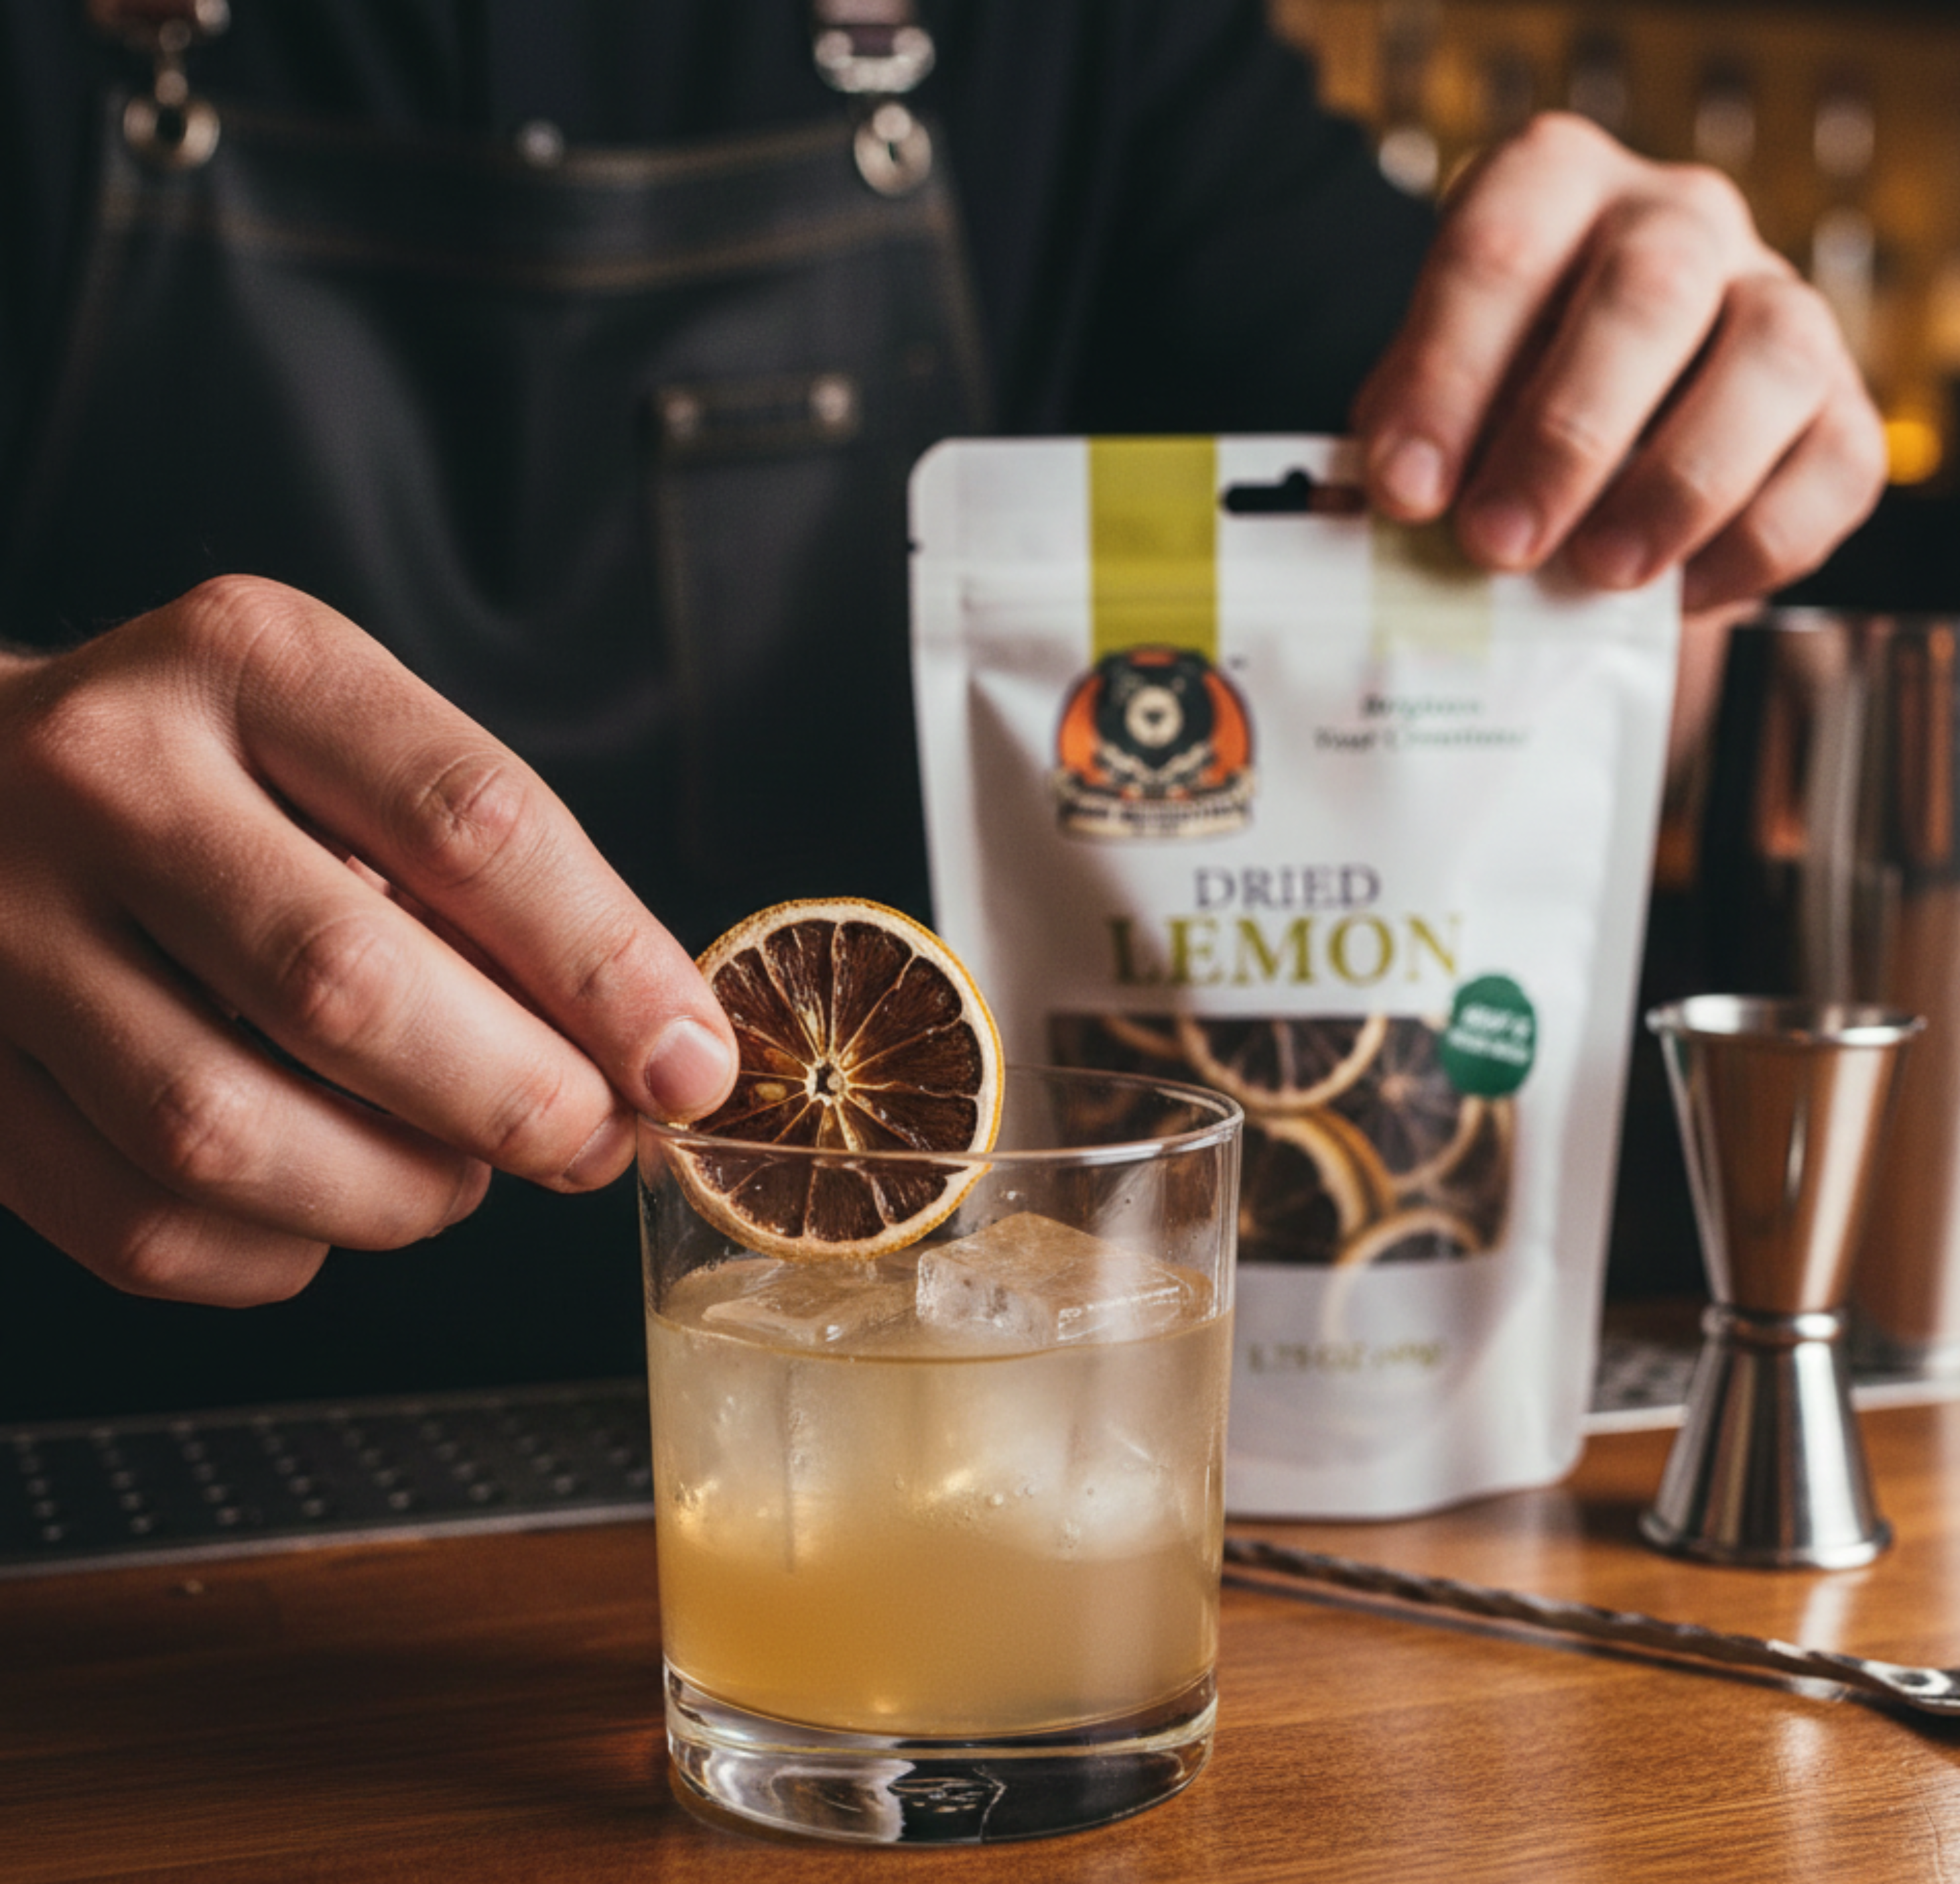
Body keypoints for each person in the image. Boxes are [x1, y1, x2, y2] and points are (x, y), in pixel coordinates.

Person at [0, 0, 1884, 1418]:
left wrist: (1658, 431)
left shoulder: (1076, 48)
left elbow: (1527, 625)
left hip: (936, 1445)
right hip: (96, 1482)